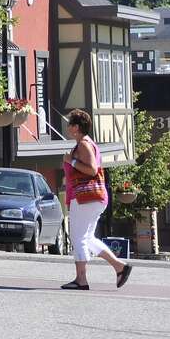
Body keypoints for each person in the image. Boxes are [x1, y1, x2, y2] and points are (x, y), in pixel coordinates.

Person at [61, 108, 132, 290]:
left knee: (78, 238)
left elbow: (92, 169)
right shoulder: (86, 143)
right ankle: (119, 266)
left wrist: (71, 161)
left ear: (77, 127)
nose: (68, 127)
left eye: (70, 124)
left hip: (85, 198)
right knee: (88, 238)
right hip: (92, 198)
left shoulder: (84, 144)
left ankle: (81, 279)